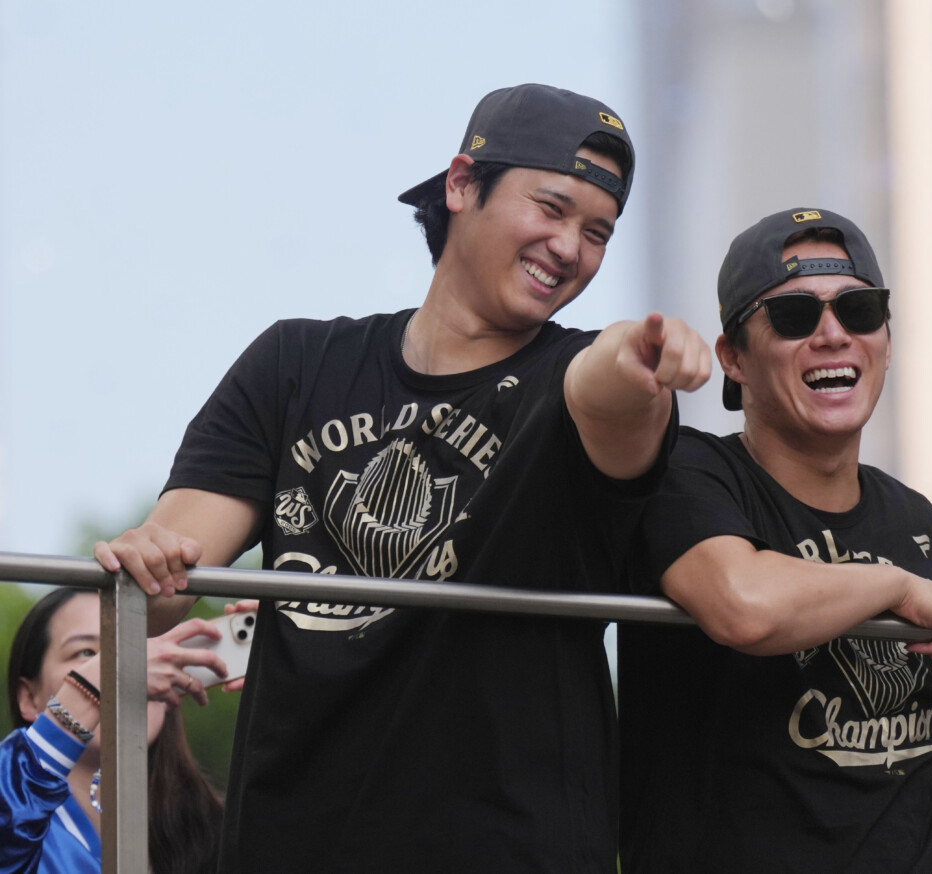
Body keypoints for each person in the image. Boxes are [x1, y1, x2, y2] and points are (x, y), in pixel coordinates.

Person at [93, 83, 710, 872]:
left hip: (510, 848)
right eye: (551, 208)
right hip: (294, 843)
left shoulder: (574, 372)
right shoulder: (296, 364)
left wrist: (636, 355)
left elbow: (607, 396)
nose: (570, 248)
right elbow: (173, 565)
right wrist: (150, 560)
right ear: (461, 184)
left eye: (598, 233)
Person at [617, 207, 932, 873]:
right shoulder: (690, 476)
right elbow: (743, 605)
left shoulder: (924, 529)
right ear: (735, 359)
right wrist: (894, 587)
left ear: (886, 339)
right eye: (793, 317)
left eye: (860, 310)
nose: (833, 334)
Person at [1, 587, 226, 874]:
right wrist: (92, 687)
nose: (132, 670)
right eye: (86, 653)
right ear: (28, 697)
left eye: (140, 652)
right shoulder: (13, 815)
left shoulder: (220, 828)